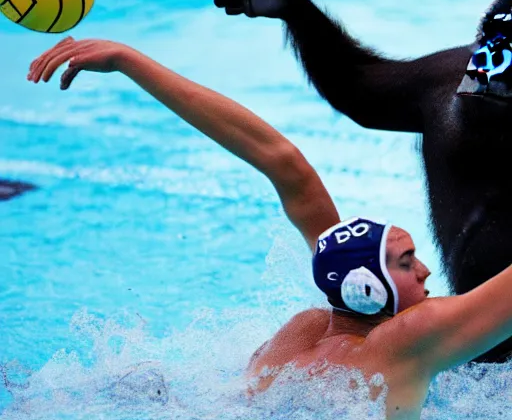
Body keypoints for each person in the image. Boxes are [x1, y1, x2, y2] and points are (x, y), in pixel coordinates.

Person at [28, 37, 512, 419]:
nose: (427, 271)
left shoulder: (296, 336)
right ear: (368, 288)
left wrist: (130, 61)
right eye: (406, 263)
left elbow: (281, 162)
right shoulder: (409, 342)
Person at [203, 0, 512, 362]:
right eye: (478, 82)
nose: (477, 96)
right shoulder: (459, 84)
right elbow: (360, 88)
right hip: (470, 355)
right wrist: (299, 13)